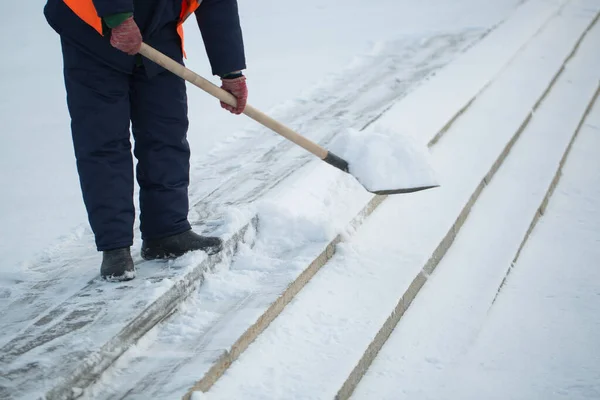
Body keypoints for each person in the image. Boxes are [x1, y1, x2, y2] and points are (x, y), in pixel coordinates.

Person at [43, 0, 248, 282]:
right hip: (91, 27)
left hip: (157, 27)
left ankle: (167, 232)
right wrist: (117, 16)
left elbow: (216, 3)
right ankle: (115, 247)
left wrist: (231, 70)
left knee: (166, 130)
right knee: (104, 140)